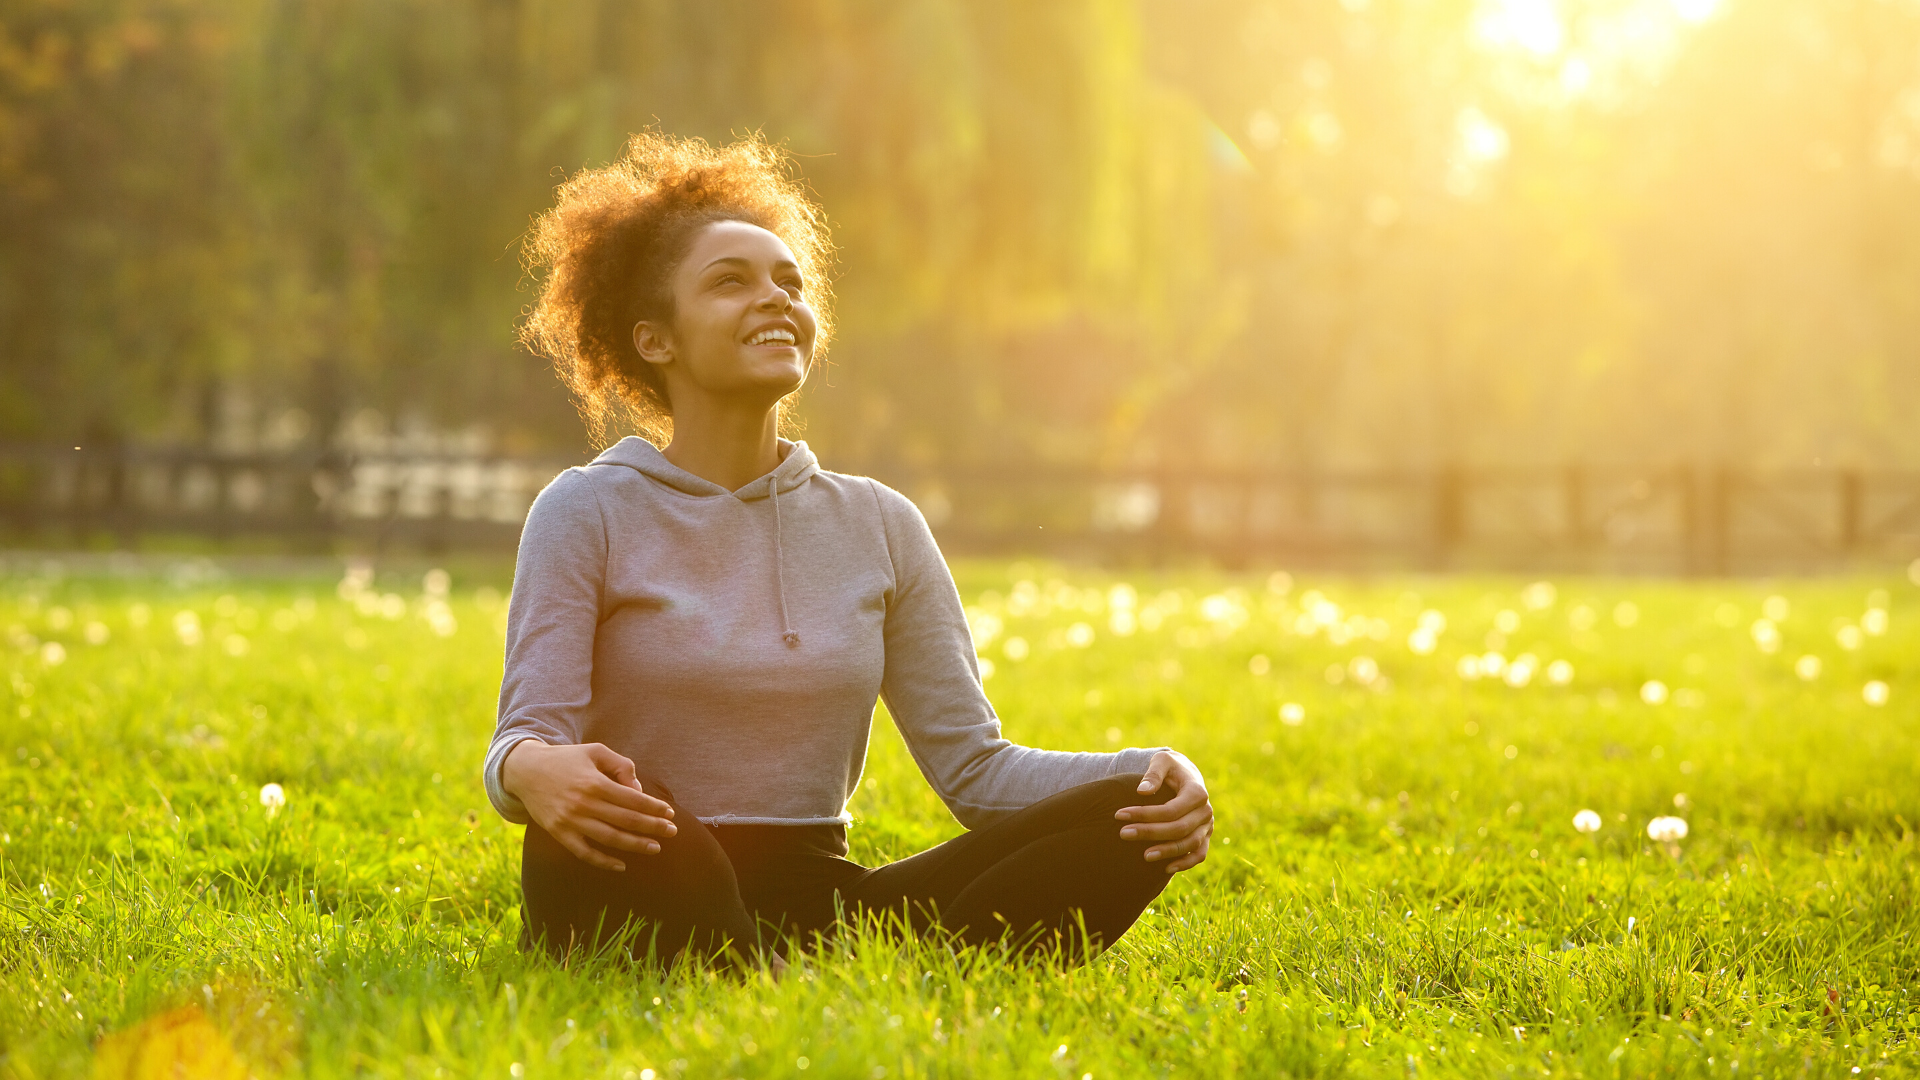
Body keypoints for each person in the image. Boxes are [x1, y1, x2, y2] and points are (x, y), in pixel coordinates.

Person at [485, 132, 1214, 971]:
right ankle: (766, 970)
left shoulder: (880, 522)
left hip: (818, 897)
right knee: (648, 822)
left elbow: (976, 769)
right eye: (731, 282)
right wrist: (528, 773)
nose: (774, 299)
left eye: (789, 283)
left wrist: (1158, 771)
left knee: (1131, 813)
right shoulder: (586, 509)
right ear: (657, 340)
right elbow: (527, 738)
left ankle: (766, 966)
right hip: (640, 863)